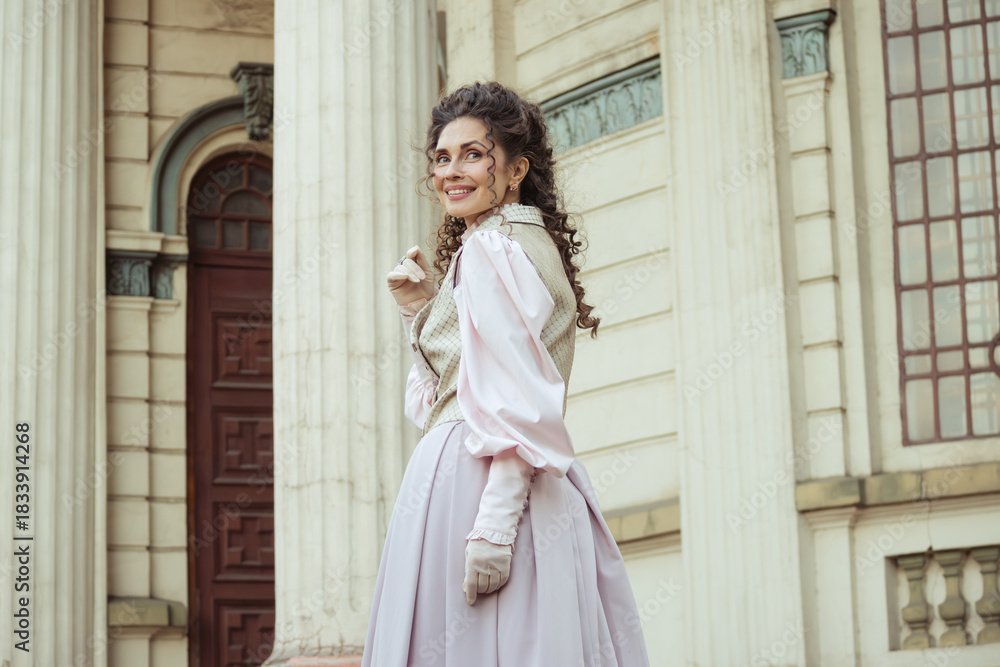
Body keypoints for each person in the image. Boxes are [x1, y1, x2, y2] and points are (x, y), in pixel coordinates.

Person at [361, 81, 650, 667]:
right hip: (523, 487)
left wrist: (493, 528)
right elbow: (447, 391)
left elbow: (515, 398)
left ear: (515, 168)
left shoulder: (493, 249)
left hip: (482, 484)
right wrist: (425, 308)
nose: (452, 172)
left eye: (473, 154)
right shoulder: (516, 241)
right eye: (442, 158)